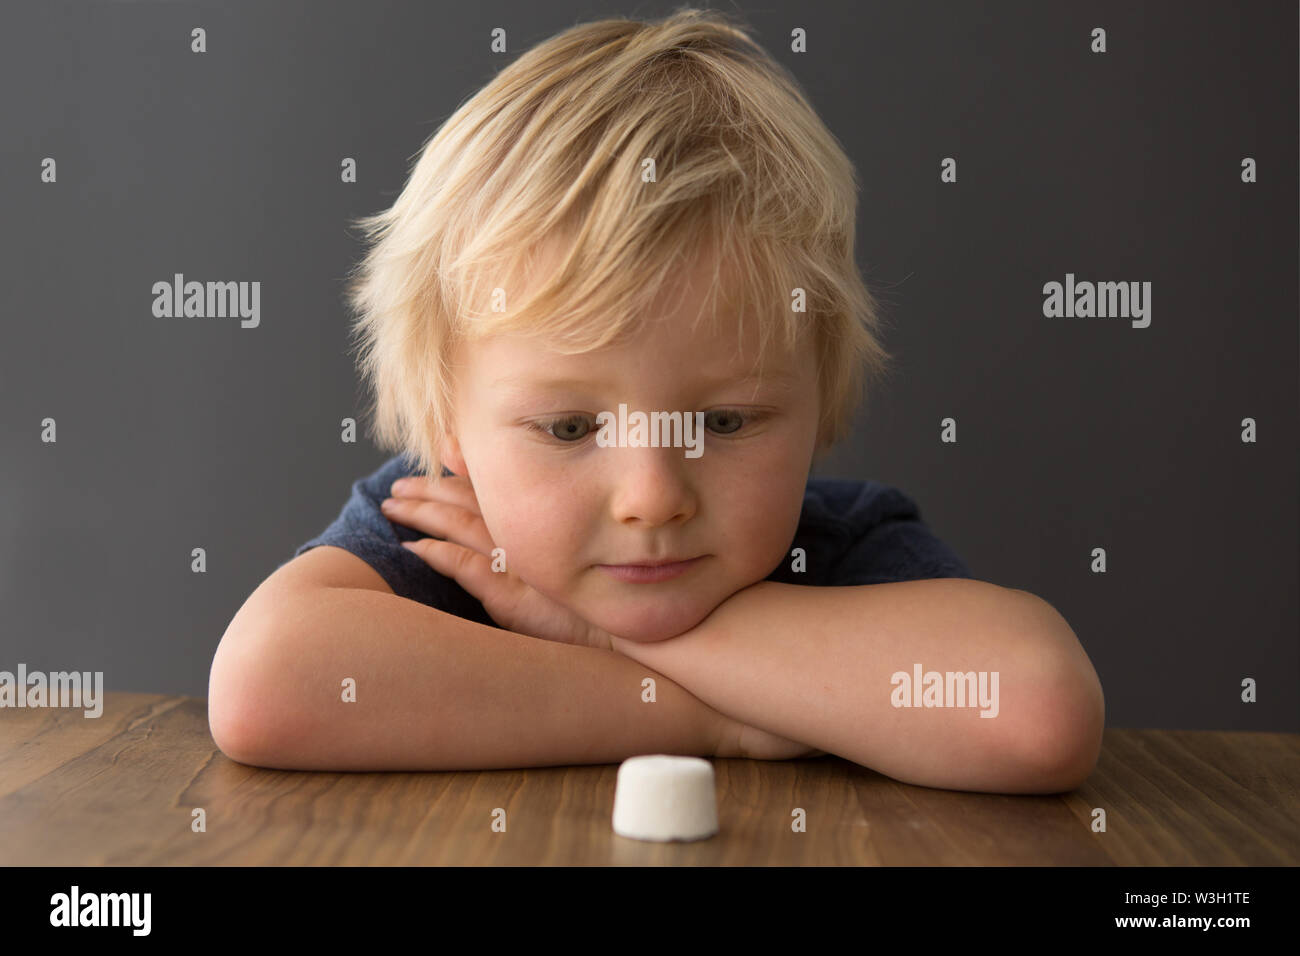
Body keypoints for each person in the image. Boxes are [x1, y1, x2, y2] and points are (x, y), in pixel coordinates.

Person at [209, 8, 1103, 792]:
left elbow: (1034, 709)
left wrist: (609, 638)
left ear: (820, 402)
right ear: (450, 432)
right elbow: (263, 685)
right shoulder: (443, 531)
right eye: (567, 427)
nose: (652, 497)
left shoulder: (835, 546)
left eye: (723, 422)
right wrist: (709, 721)